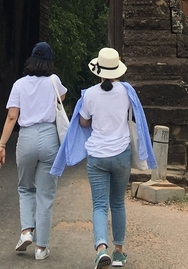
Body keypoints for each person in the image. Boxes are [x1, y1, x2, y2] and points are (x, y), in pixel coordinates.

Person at [51, 47, 156, 269]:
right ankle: (118, 253)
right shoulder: (127, 92)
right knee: (117, 203)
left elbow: (82, 122)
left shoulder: (89, 94)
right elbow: (134, 115)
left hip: (97, 156)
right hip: (121, 154)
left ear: (99, 71)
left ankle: (101, 249)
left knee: (99, 205)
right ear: (117, 71)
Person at [0, 42, 67, 262]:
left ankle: (26, 231)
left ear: (31, 60)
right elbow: (61, 98)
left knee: (25, 188)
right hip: (49, 138)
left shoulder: (18, 85)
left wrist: (1, 145)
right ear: (49, 62)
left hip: (26, 137)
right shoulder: (54, 81)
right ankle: (41, 248)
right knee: (45, 195)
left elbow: (11, 117)